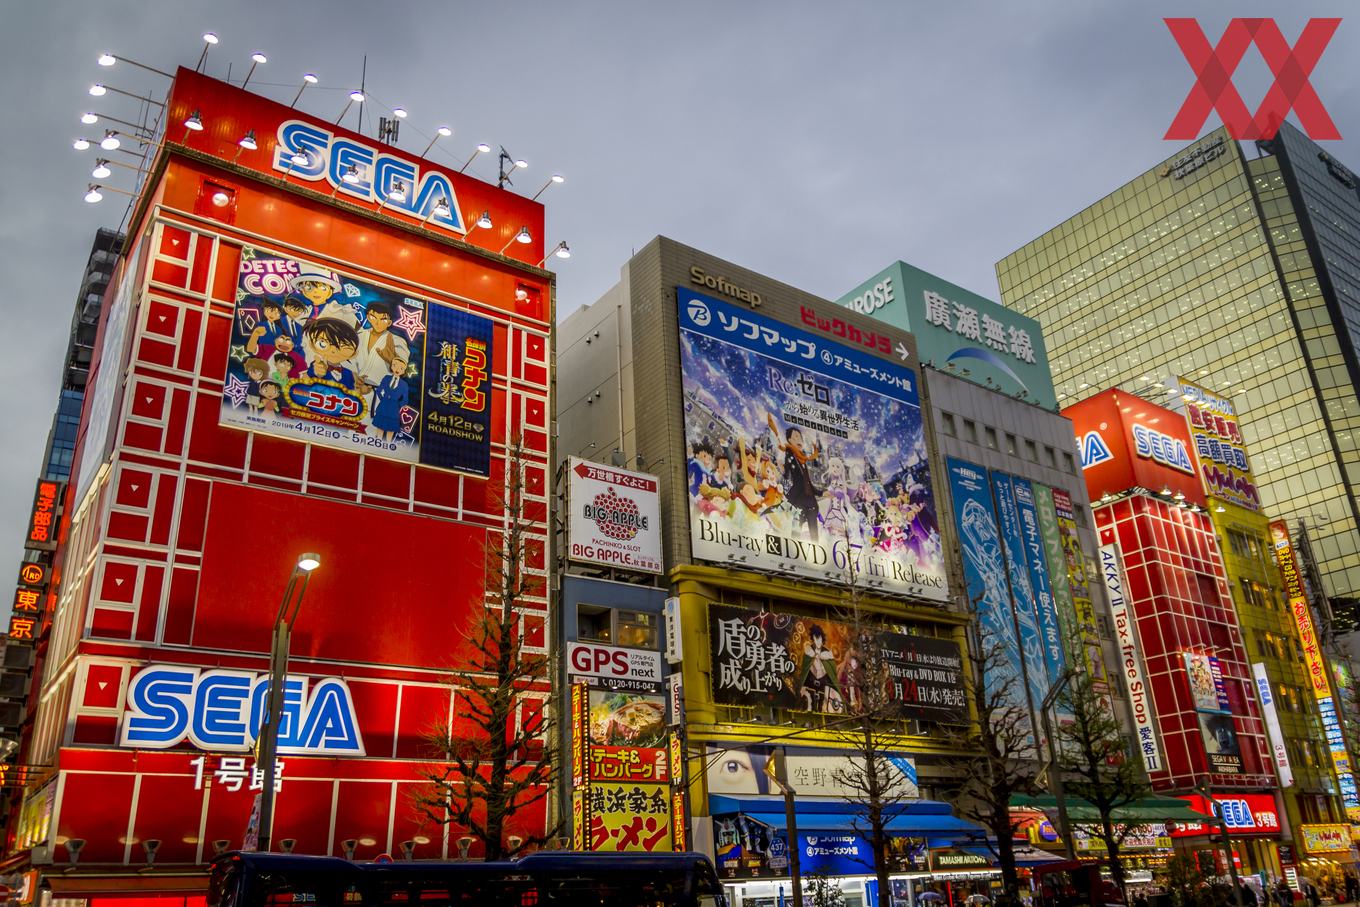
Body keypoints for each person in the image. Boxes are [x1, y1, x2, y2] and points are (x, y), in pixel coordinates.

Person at [369, 357, 409, 441]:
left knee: (391, 429)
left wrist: (398, 405)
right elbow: (379, 390)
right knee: (380, 427)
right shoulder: (386, 378)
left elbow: (405, 399)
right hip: (383, 405)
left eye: (401, 368)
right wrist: (383, 399)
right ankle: (378, 442)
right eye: (395, 366)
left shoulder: (404, 384)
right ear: (391, 367)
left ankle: (388, 445)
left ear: (404, 371)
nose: (397, 369)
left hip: (394, 408)